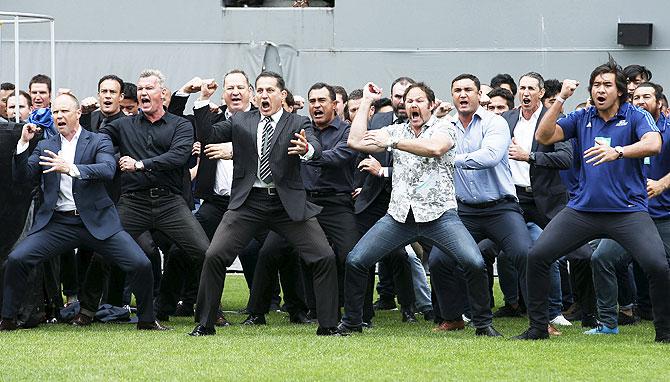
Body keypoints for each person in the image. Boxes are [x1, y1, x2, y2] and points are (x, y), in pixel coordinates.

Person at [515, 57, 670, 343]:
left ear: (620, 91)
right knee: (537, 256)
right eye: (596, 85)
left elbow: (654, 143)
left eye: (607, 85)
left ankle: (665, 333)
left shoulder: (635, 115)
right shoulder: (582, 117)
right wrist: (560, 98)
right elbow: (544, 134)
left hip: (627, 211)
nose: (600, 89)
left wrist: (619, 152)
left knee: (657, 265)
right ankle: (537, 329)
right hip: (582, 210)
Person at [342, 81, 500, 337]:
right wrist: (368, 102)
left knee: (473, 261)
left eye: (419, 100)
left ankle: (483, 325)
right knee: (356, 260)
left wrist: (392, 142)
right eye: (409, 101)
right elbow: (356, 140)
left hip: (440, 216)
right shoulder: (396, 129)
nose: (413, 105)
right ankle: (350, 324)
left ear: (431, 105)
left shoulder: (445, 127)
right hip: (400, 217)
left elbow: (434, 149)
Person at [189, 71, 342, 337]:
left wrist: (307, 150)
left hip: (287, 204)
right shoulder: (241, 121)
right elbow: (208, 134)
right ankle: (205, 324)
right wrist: (203, 101)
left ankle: (328, 325)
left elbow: (313, 145)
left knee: (324, 256)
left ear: (282, 95)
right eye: (259, 91)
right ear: (254, 94)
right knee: (214, 256)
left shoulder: (298, 121)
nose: (264, 95)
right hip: (249, 203)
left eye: (270, 90)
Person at [0, 94, 164, 331]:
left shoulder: (98, 141)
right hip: (58, 224)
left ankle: (147, 320)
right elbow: (22, 177)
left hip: (96, 222)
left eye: (64, 111)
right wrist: (23, 144)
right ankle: (7, 319)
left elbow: (108, 169)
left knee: (140, 263)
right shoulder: (46, 145)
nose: (59, 116)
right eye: (55, 112)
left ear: (78, 114)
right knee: (17, 259)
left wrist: (72, 168)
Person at [436, 74, 531, 323]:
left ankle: (541, 319)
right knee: (438, 260)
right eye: (457, 90)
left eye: (468, 89)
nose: (463, 95)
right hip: (464, 211)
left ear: (480, 95)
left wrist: (447, 158)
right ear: (452, 95)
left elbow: (489, 156)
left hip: (501, 208)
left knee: (524, 253)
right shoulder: (445, 126)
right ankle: (453, 318)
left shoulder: (495, 122)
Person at [587, 82, 670, 335]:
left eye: (647, 97)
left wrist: (662, 184)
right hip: (631, 215)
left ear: (660, 103)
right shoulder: (626, 128)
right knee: (601, 258)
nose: (640, 101)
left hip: (664, 216)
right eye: (636, 97)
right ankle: (609, 323)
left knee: (660, 266)